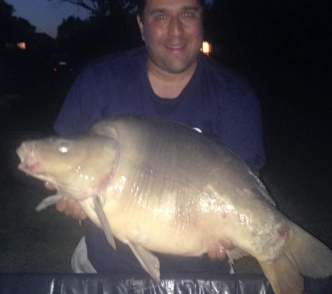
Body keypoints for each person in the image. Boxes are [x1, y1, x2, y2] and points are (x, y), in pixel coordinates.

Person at [51, 0, 266, 276]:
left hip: (201, 277)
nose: (176, 31)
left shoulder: (235, 97)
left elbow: (247, 193)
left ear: (202, 21)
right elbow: (61, 161)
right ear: (141, 25)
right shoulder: (99, 81)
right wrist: (65, 192)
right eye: (160, 16)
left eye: (188, 14)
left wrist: (235, 237)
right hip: (104, 267)